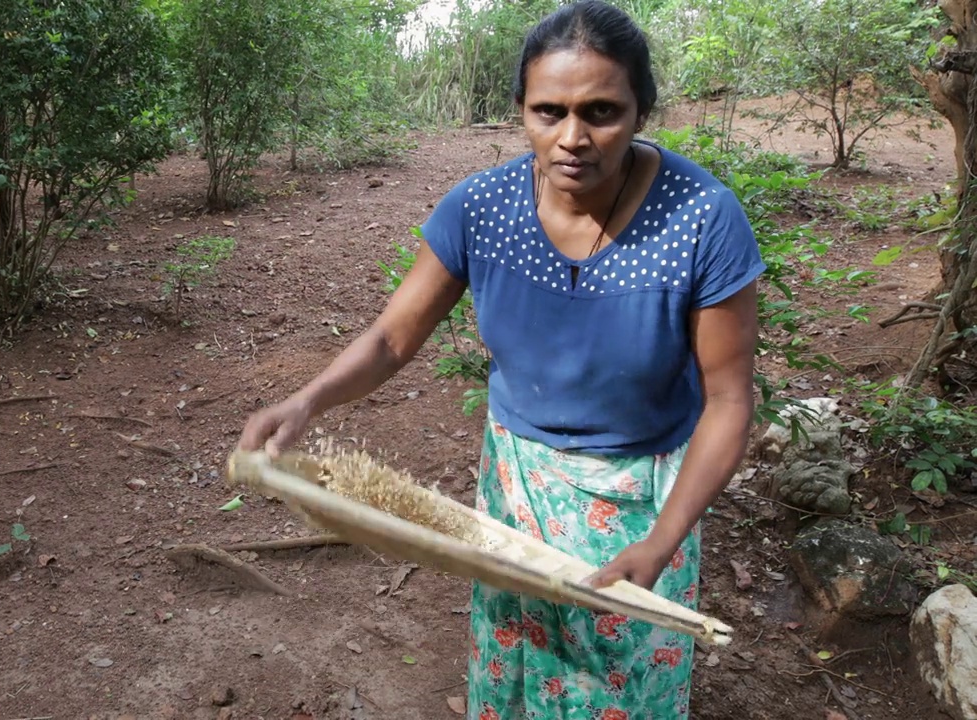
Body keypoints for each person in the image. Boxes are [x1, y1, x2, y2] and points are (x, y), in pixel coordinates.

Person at [236, 1, 763, 717]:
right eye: (549, 112)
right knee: (521, 664)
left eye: (602, 111)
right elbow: (393, 339)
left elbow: (729, 399)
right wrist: (308, 400)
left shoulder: (700, 218)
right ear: (520, 110)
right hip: (518, 487)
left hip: (644, 497)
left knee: (617, 680)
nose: (573, 137)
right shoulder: (482, 209)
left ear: (643, 110)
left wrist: (663, 540)